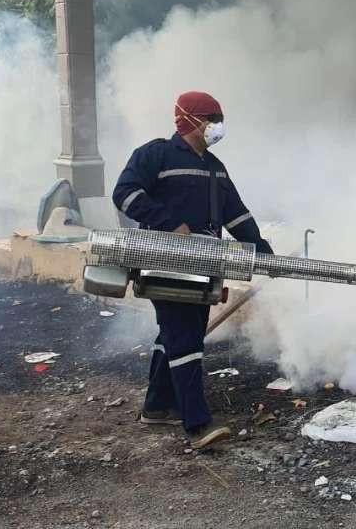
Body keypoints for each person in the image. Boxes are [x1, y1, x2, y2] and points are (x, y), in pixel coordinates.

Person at [112, 91, 273, 449]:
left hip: (204, 265)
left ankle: (156, 407)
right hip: (164, 262)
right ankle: (196, 424)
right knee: (184, 335)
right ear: (191, 120)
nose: (217, 126)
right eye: (212, 118)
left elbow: (236, 214)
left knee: (177, 334)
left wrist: (262, 250)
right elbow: (124, 194)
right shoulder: (155, 154)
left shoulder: (215, 167)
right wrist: (171, 223)